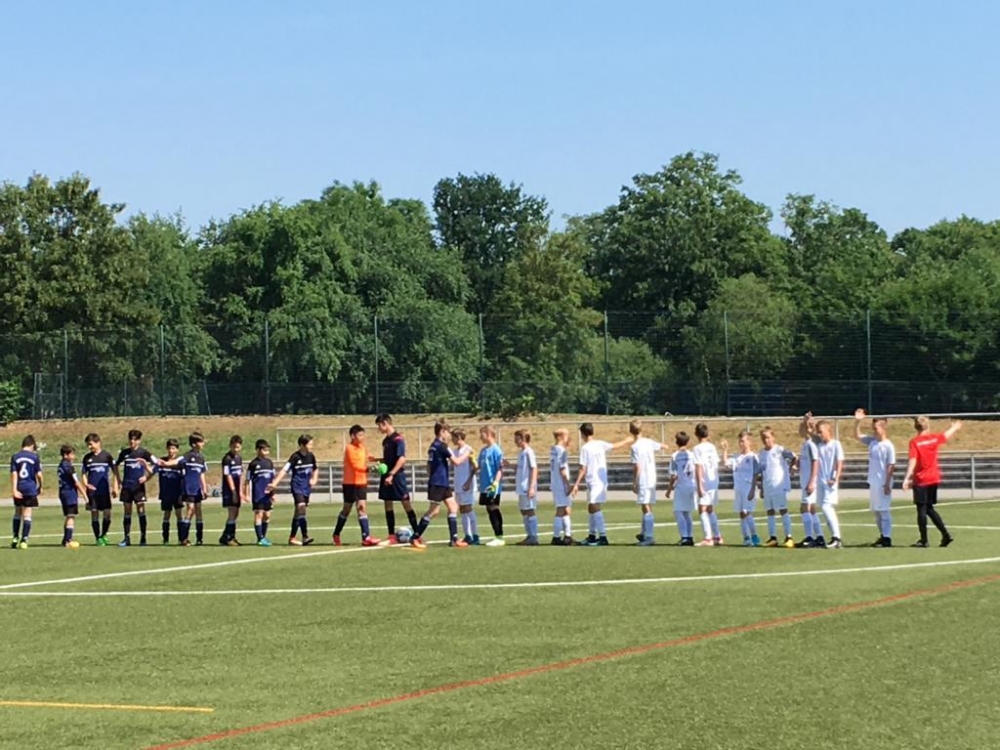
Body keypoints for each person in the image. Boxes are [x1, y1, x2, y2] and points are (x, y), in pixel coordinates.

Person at [901, 416, 960, 548]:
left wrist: (907, 477)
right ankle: (945, 534)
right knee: (929, 508)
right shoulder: (933, 438)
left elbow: (913, 460)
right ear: (928, 426)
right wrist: (954, 428)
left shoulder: (915, 442)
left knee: (921, 509)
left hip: (921, 479)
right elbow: (945, 436)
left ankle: (924, 540)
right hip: (933, 478)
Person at [571, 422, 633, 546]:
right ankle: (592, 535)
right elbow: (614, 446)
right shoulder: (599, 444)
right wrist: (627, 440)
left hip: (595, 480)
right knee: (591, 506)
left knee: (594, 506)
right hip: (598, 480)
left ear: (583, 434)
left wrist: (576, 484)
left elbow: (582, 468)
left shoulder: (585, 448)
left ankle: (603, 537)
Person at [411, 421, 468, 549]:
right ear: (442, 431)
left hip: (441, 482)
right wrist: (467, 453)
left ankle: (454, 539)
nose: (449, 435)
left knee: (453, 507)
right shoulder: (442, 446)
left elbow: (428, 466)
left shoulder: (433, 446)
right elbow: (456, 462)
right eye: (447, 432)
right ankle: (415, 537)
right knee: (434, 511)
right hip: (438, 483)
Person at [332, 425, 382, 547]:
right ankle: (336, 533)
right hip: (350, 483)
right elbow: (355, 465)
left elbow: (367, 457)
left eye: (363, 435)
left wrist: (377, 460)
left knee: (362, 507)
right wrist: (370, 469)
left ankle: (366, 537)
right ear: (353, 436)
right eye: (360, 435)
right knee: (347, 509)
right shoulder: (349, 448)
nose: (362, 437)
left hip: (361, 482)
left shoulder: (362, 447)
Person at [854, 409, 897, 547]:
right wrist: (857, 421)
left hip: (883, 482)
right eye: (873, 428)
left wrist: (887, 484)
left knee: (884, 510)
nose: (874, 431)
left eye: (876, 428)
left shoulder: (888, 446)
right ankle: (882, 535)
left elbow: (891, 466)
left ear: (883, 428)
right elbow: (857, 435)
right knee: (876, 511)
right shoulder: (872, 442)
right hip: (873, 482)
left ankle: (887, 538)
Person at [375, 414, 419, 544]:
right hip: (387, 476)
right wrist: (377, 461)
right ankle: (391, 536)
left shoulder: (398, 439)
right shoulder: (385, 441)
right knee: (387, 503)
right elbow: (388, 459)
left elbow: (401, 459)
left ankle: (417, 535)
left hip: (397, 476)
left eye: (379, 425)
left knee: (406, 503)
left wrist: (392, 474)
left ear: (385, 423)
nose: (378, 429)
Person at [269, 434, 319, 546]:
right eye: (310, 444)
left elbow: (315, 469)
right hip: (297, 487)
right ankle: (305, 536)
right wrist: (275, 483)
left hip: (306, 488)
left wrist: (314, 479)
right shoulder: (295, 457)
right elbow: (284, 470)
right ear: (302, 445)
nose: (312, 446)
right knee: (301, 507)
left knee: (298, 513)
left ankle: (292, 538)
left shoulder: (311, 456)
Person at [114, 429, 155, 547]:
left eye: (135, 439)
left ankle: (143, 538)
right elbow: (115, 465)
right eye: (131, 439)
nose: (132, 442)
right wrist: (118, 481)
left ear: (139, 440)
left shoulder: (144, 453)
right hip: (127, 486)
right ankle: (127, 538)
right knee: (127, 512)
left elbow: (156, 465)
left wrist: (146, 476)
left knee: (141, 511)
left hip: (138, 487)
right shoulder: (124, 453)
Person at [757, 427, 796, 548]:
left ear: (773, 438)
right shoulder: (761, 453)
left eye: (768, 437)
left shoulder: (780, 450)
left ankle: (789, 537)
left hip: (779, 485)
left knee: (783, 509)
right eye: (763, 438)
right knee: (770, 511)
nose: (766, 440)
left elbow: (794, 457)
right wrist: (762, 488)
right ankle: (773, 537)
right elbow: (762, 471)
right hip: (767, 486)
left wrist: (792, 468)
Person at [722, 431, 760, 546]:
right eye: (740, 441)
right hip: (738, 488)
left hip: (748, 487)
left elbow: (756, 474)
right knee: (741, 513)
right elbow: (726, 463)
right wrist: (725, 450)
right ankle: (746, 538)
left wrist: (753, 489)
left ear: (749, 442)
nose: (741, 444)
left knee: (746, 511)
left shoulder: (753, 457)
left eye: (743, 441)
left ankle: (754, 536)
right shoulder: (736, 457)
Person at [629, 420, 663, 547]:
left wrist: (634, 482)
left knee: (645, 505)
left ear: (630, 431)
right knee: (647, 505)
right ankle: (644, 532)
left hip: (643, 478)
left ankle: (649, 536)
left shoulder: (635, 447)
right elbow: (663, 446)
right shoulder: (648, 442)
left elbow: (637, 466)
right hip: (652, 477)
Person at [172, 432, 208, 547]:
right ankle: (184, 538)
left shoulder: (201, 457)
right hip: (189, 488)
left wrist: (204, 488)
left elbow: (202, 474)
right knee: (190, 510)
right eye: (200, 442)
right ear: (193, 444)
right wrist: (165, 463)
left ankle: (199, 538)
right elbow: (176, 462)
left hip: (197, 489)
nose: (203, 444)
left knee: (198, 511)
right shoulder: (187, 456)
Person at [82, 433, 118, 546]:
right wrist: (86, 484)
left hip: (104, 491)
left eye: (91, 444)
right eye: (88, 445)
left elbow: (115, 472)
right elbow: (83, 474)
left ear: (98, 443)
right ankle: (98, 537)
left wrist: (115, 487)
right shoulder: (87, 458)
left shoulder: (107, 456)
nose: (89, 447)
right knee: (94, 514)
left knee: (107, 513)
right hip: (92, 492)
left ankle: (104, 534)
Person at [814, 420, 845, 548]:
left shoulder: (835, 444)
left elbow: (839, 461)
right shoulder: (819, 446)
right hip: (820, 481)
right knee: (824, 509)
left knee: (827, 507)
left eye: (821, 432)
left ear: (828, 431)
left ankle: (837, 537)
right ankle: (834, 536)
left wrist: (835, 478)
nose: (819, 434)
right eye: (818, 432)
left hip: (830, 481)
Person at [692, 423, 722, 546]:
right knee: (709, 508)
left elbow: (698, 466)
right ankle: (718, 536)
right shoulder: (712, 446)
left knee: (702, 508)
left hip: (705, 481)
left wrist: (699, 485)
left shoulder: (697, 449)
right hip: (713, 480)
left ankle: (708, 538)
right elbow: (716, 463)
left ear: (696, 434)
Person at [10, 435, 42, 550]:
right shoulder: (34, 457)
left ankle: (15, 537)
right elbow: (39, 474)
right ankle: (24, 540)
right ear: (32, 445)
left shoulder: (15, 456)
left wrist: (14, 489)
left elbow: (14, 474)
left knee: (17, 513)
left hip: (19, 488)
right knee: (27, 514)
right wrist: (41, 486)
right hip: (30, 488)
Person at [665, 431, 696, 546]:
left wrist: (669, 489)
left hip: (681, 486)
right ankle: (689, 536)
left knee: (678, 511)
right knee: (687, 512)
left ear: (676, 442)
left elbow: (674, 475)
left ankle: (684, 537)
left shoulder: (675, 456)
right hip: (691, 485)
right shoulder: (692, 455)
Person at [796, 415, 822, 548]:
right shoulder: (805, 444)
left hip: (809, 482)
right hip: (805, 481)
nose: (800, 430)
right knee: (811, 509)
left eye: (803, 427)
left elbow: (815, 462)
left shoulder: (811, 445)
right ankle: (819, 537)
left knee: (804, 508)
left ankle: (809, 537)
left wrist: (812, 481)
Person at [478, 425, 506, 547]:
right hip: (484, 485)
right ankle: (496, 535)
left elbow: (500, 468)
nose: (480, 437)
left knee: (494, 508)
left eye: (482, 434)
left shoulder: (496, 450)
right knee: (489, 509)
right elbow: (479, 466)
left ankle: (499, 536)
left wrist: (495, 483)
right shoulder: (483, 451)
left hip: (492, 486)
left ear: (488, 434)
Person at [246, 439, 276, 547]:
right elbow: (247, 480)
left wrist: (273, 493)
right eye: (264, 450)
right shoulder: (253, 464)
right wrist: (247, 494)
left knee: (267, 515)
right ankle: (260, 538)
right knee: (259, 513)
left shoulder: (270, 463)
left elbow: (273, 480)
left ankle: (263, 536)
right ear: (258, 450)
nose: (266, 452)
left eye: (267, 450)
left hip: (267, 495)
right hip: (258, 494)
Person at [451, 429, 480, 545]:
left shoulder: (468, 449)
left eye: (453, 437)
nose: (452, 440)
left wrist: (469, 481)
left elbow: (475, 467)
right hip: (458, 483)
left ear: (458, 437)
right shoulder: (454, 451)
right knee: (462, 509)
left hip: (467, 484)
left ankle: (475, 535)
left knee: (468, 508)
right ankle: (468, 535)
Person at [57, 444, 87, 549]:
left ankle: (65, 539)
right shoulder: (68, 466)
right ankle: (68, 540)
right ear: (66, 455)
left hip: (63, 492)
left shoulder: (61, 465)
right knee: (71, 516)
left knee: (68, 516)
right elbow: (76, 482)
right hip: (69, 494)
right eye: (72, 454)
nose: (74, 457)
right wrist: (85, 495)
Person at [514, 429, 540, 546]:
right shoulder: (521, 453)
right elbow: (521, 468)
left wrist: (532, 486)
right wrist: (510, 466)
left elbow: (534, 469)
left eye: (517, 439)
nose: (515, 441)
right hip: (521, 486)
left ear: (523, 439)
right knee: (523, 510)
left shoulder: (529, 452)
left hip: (527, 486)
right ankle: (529, 535)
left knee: (529, 510)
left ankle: (533, 536)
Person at [549, 428, 574, 545]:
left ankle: (567, 536)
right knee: (561, 509)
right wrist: (568, 484)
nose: (568, 438)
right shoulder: (561, 451)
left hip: (555, 483)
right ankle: (557, 536)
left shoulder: (553, 449)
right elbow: (562, 469)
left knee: (565, 509)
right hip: (561, 484)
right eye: (566, 436)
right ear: (561, 437)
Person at [156, 439, 184, 545]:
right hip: (166, 492)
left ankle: (181, 538)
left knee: (179, 515)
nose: (171, 450)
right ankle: (165, 539)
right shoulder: (161, 461)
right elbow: (152, 471)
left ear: (177, 450)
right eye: (169, 448)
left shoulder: (180, 462)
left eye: (173, 448)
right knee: (166, 515)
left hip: (177, 493)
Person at [219, 435, 245, 546]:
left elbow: (240, 474)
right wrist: (233, 491)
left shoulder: (239, 458)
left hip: (237, 489)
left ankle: (226, 536)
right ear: (230, 446)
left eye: (238, 447)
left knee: (235, 513)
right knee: (232, 512)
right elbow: (227, 475)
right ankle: (229, 537)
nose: (236, 449)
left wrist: (241, 491)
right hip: (229, 490)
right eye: (234, 447)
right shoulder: (227, 459)